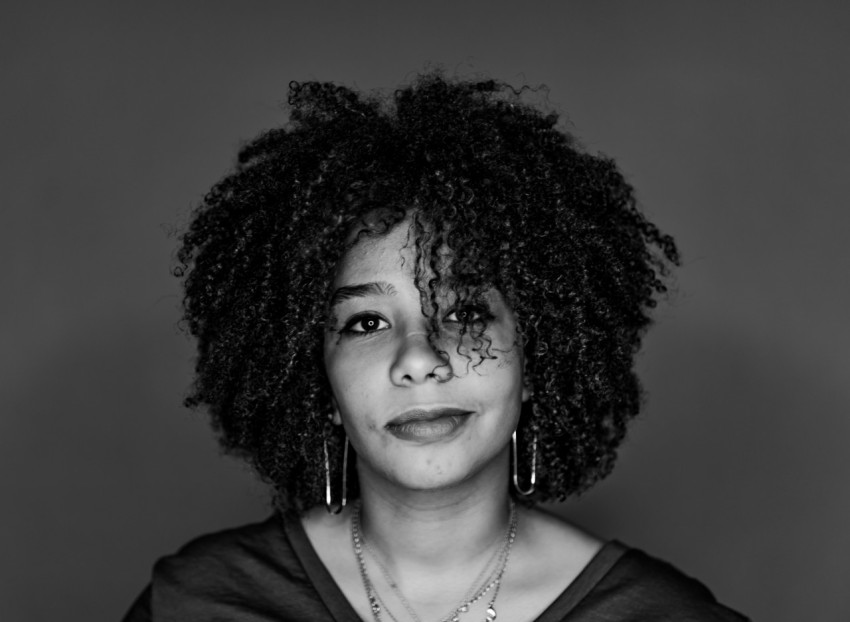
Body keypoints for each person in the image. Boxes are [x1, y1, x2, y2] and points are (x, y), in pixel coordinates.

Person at [123, 74, 748, 621]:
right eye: (366, 322)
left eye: (466, 311)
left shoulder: (667, 616)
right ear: (321, 383)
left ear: (539, 358)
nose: (419, 359)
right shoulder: (196, 603)